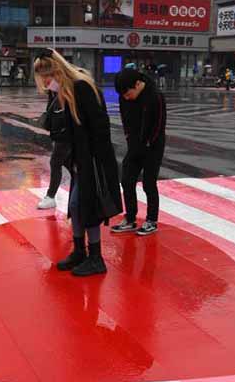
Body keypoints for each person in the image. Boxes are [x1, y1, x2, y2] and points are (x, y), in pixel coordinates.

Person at [34, 48, 122, 276]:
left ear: (57, 70)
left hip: (93, 159)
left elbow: (99, 128)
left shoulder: (81, 86)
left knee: (86, 206)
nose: (45, 81)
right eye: (42, 77)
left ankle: (96, 258)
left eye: (47, 75)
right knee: (75, 205)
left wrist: (91, 160)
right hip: (80, 159)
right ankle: (81, 252)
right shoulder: (66, 90)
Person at [111, 68, 167, 237]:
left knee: (149, 184)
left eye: (128, 94)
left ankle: (151, 220)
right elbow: (125, 120)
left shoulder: (155, 96)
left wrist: (148, 144)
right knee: (127, 180)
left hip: (153, 146)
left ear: (137, 84)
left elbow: (159, 125)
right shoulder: (124, 96)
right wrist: (130, 139)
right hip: (134, 144)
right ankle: (130, 218)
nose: (126, 98)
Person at [37, 77, 72, 209]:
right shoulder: (53, 89)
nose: (44, 81)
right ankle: (82, 186)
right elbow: (51, 109)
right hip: (58, 133)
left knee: (56, 162)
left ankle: (51, 196)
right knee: (67, 162)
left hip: (65, 134)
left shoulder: (64, 88)